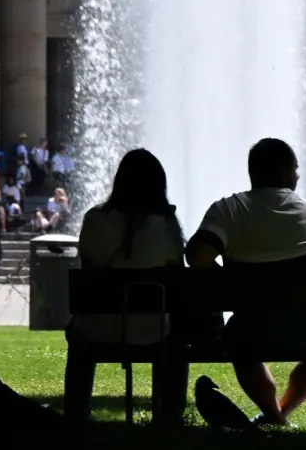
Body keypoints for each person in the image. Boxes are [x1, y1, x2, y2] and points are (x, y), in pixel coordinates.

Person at [185, 137, 306, 428]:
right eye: (296, 169)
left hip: (253, 330)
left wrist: (229, 279)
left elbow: (197, 257)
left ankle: (273, 415)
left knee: (238, 339)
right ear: (285, 171)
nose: (298, 175)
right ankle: (280, 414)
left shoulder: (227, 210)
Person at [65, 148, 189, 427]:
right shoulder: (165, 225)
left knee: (77, 335)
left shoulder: (94, 219)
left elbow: (89, 268)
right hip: (152, 330)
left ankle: (75, 414)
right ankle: (169, 416)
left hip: (98, 329)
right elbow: (177, 279)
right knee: (177, 342)